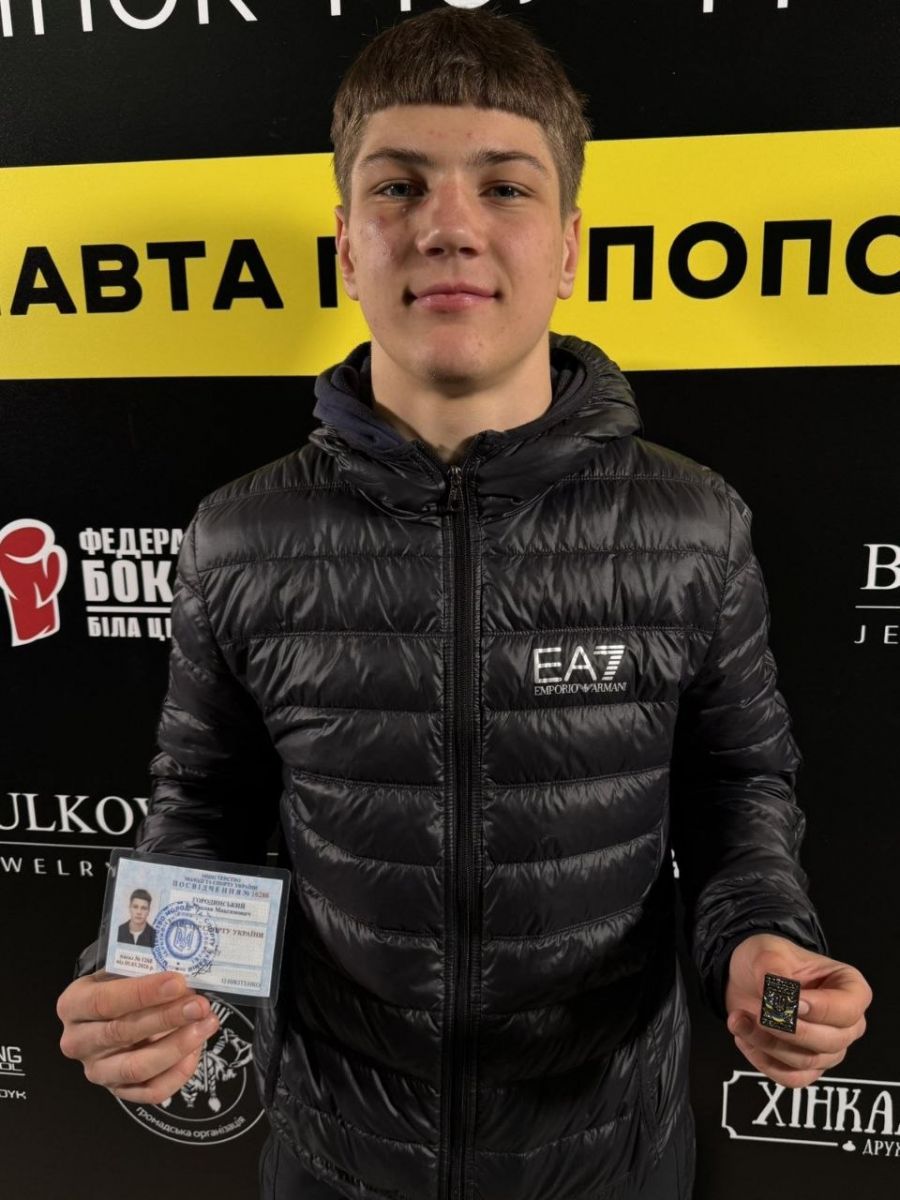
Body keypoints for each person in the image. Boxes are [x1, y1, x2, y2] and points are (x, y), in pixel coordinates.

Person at [56, 8, 873, 1200]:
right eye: (398, 187)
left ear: (570, 246)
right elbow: (204, 813)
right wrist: (140, 976)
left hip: (609, 1160)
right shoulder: (239, 535)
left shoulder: (697, 524)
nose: (447, 226)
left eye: (504, 187)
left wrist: (761, 943)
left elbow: (738, 795)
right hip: (336, 1162)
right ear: (347, 246)